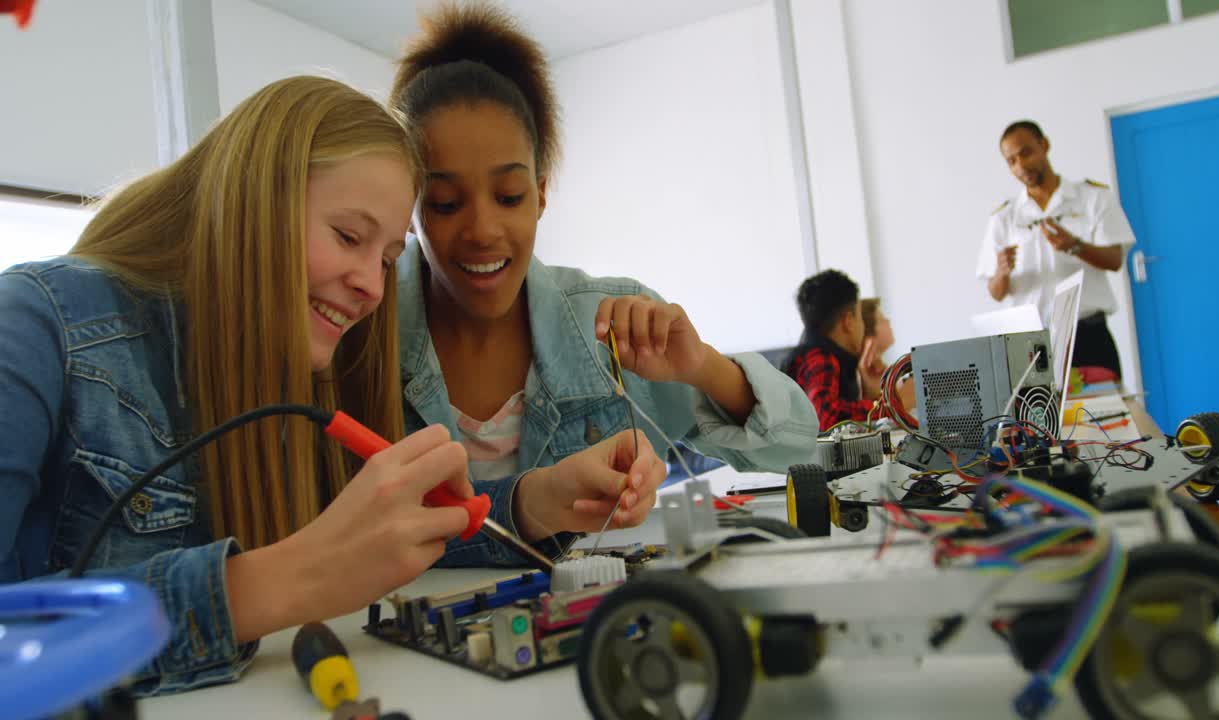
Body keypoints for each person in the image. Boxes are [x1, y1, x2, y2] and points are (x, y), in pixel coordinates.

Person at [0, 76, 664, 695]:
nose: (373, 288)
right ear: (250, 204)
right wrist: (276, 584)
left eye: (387, 259)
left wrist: (533, 501)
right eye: (348, 236)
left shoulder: (295, 368)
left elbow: (377, 540)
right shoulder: (34, 326)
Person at [388, 2, 819, 557]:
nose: (482, 230)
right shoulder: (365, 335)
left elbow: (799, 447)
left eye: (509, 197)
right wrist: (530, 505)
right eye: (446, 204)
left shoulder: (614, 325)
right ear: (410, 206)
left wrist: (706, 368)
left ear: (541, 193)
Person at [977, 120, 1136, 379]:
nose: (1021, 166)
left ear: (1044, 144)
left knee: (1103, 415)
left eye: (1026, 153)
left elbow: (1115, 260)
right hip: (1030, 343)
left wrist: (1076, 246)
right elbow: (995, 292)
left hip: (1087, 336)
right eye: (1012, 161)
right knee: (1036, 419)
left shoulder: (1093, 198)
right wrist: (1002, 273)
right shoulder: (1004, 217)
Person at [782, 270, 884, 430]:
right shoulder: (820, 359)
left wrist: (870, 395)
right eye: (860, 318)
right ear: (848, 321)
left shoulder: (816, 356)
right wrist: (890, 407)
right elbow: (825, 417)